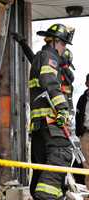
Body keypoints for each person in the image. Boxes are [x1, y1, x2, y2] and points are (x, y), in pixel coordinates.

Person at [29, 23, 75, 200]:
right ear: (55, 41)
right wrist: (63, 110)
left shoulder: (40, 56)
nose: (64, 48)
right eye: (63, 44)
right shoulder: (50, 57)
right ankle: (46, 196)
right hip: (51, 121)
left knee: (41, 165)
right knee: (62, 153)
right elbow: (50, 82)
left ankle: (41, 194)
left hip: (39, 125)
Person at [75, 73, 89, 188]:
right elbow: (78, 116)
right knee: (86, 164)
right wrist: (79, 132)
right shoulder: (82, 98)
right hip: (85, 134)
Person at [59, 48, 75, 116]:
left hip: (61, 115)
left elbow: (68, 98)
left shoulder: (67, 80)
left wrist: (71, 112)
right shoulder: (54, 72)